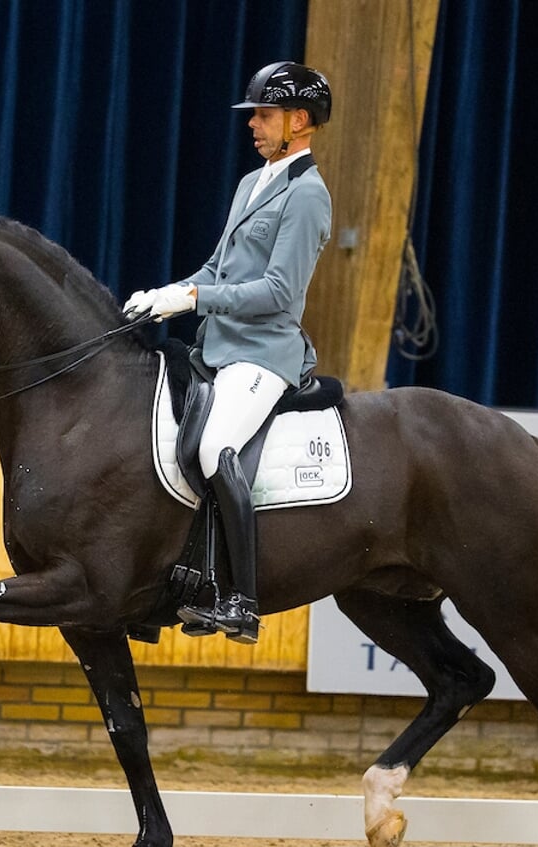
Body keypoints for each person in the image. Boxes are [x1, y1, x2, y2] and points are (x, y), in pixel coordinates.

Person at [123, 61, 333, 645]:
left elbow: (278, 293)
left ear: (300, 121)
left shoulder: (308, 196)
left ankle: (241, 599)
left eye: (264, 115)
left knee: (216, 446)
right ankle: (158, 583)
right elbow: (218, 270)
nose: (254, 126)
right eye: (255, 116)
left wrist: (194, 297)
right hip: (216, 347)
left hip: (264, 353)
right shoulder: (252, 183)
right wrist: (169, 293)